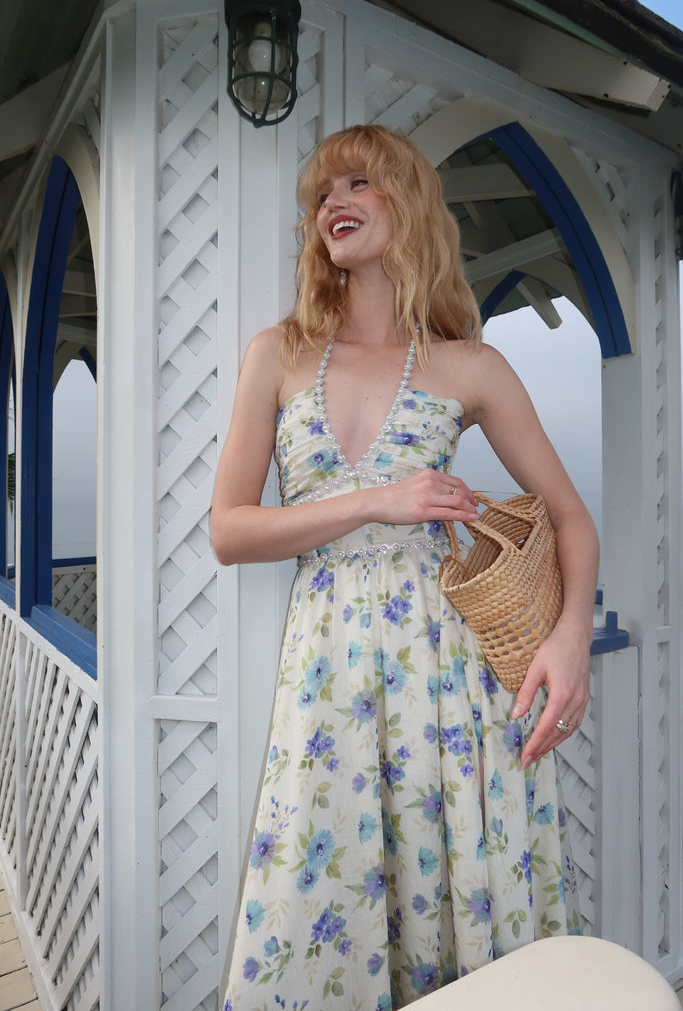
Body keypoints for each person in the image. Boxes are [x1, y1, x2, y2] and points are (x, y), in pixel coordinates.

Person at [212, 123, 599, 1011]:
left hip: (448, 685)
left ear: (409, 200)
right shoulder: (278, 354)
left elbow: (571, 518)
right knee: (323, 902)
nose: (332, 203)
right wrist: (372, 501)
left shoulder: (472, 365)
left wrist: (569, 640)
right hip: (328, 683)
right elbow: (229, 531)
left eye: (358, 183)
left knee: (456, 905)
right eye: (321, 195)